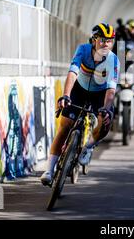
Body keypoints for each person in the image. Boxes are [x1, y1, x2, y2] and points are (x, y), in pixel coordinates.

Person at [40, 23, 120, 185]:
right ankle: (49, 170)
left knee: (105, 123)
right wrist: (66, 95)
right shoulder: (83, 50)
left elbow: (111, 89)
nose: (106, 44)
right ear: (94, 40)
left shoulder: (113, 60)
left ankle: (89, 146)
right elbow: (72, 72)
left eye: (110, 41)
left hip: (100, 94)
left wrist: (106, 108)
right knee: (65, 126)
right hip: (80, 90)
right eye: (102, 40)